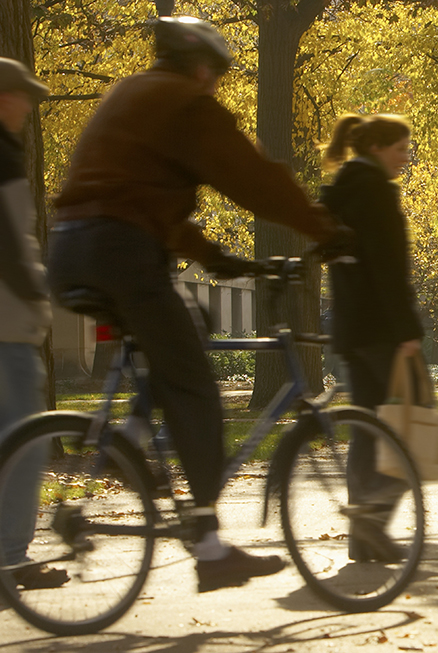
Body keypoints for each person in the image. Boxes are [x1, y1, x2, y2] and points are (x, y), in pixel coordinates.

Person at [47, 17, 350, 592]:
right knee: (195, 389)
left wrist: (214, 257)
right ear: (203, 66)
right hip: (120, 252)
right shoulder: (188, 105)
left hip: (71, 250)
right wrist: (324, 229)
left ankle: (131, 438)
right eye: (217, 73)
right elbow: (255, 180)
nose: (215, 85)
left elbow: (140, 199)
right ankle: (209, 548)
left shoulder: (130, 94)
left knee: (192, 320)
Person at [320, 113, 423, 564]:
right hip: (382, 330)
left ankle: (363, 541)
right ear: (378, 148)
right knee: (414, 427)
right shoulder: (377, 193)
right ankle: (373, 519)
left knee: (366, 431)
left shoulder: (341, 192)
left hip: (351, 330)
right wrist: (407, 331)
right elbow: (387, 270)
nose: (406, 157)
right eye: (401, 148)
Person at [0, 58, 68, 589]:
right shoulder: (3, 154)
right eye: (24, 96)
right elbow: (9, 244)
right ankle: (11, 558)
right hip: (7, 323)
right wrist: (38, 297)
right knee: (26, 443)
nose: (30, 106)